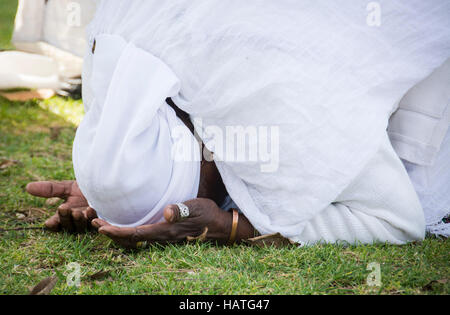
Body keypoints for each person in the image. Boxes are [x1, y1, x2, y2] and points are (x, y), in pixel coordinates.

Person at [26, 0, 450, 247]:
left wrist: (233, 225)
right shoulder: (119, 57)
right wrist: (106, 178)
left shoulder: (280, 110)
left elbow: (397, 219)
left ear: (208, 153)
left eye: (203, 193)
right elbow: (119, 115)